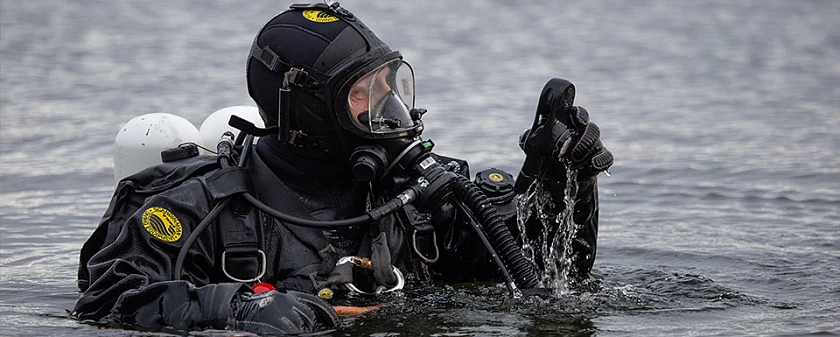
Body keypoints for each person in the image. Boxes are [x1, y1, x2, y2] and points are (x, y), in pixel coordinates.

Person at [72, 2, 613, 335]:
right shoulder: (204, 210)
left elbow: (542, 278)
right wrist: (232, 307)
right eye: (362, 94)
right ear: (306, 111)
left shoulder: (416, 198)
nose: (389, 110)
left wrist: (564, 181)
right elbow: (106, 299)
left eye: (390, 87)